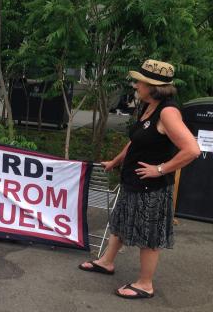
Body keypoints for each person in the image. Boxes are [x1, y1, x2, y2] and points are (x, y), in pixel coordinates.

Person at [78, 59, 200, 299]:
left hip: (152, 188)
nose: (135, 85)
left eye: (139, 82)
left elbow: (192, 150)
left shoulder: (168, 112)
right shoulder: (149, 107)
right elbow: (137, 139)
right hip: (133, 181)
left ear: (153, 86)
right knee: (121, 221)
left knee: (149, 236)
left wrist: (160, 169)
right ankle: (107, 262)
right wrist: (116, 161)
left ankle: (145, 284)